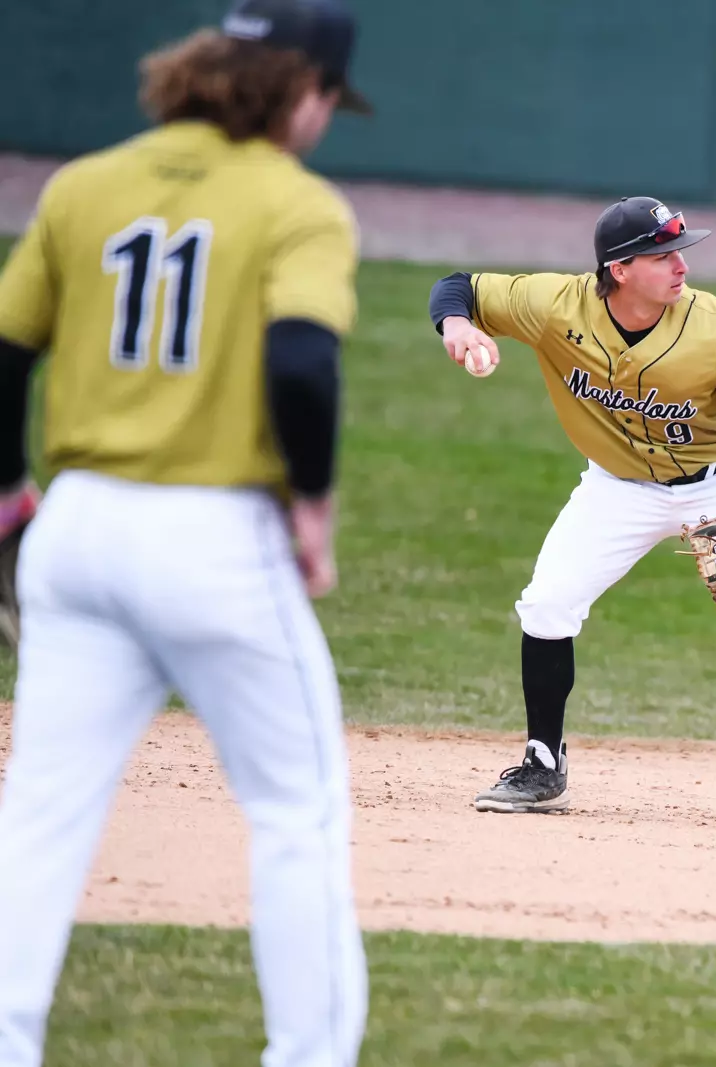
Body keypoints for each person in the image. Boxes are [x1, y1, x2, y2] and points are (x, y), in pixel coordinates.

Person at [0, 2, 371, 1063]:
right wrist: (312, 506)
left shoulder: (85, 184)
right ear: (302, 92)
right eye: (329, 100)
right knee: (298, 811)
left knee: (41, 814)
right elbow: (300, 363)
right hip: (214, 538)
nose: (326, 120)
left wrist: (8, 497)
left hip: (75, 533)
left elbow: (3, 352)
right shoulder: (296, 205)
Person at [428, 196, 716, 834]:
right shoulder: (555, 307)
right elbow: (457, 288)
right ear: (620, 269)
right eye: (661, 254)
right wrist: (457, 328)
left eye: (681, 250)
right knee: (547, 603)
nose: (680, 265)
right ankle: (542, 762)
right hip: (618, 487)